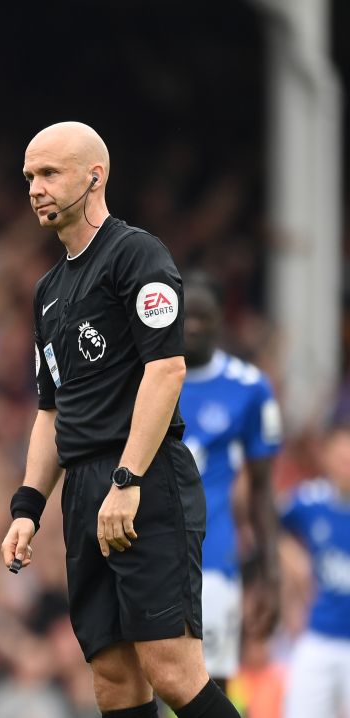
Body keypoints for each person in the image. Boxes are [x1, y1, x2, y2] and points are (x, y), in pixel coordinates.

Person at [1, 121, 240, 718]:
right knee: (112, 676)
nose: (35, 187)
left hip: (144, 479)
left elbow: (167, 371)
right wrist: (28, 508)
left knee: (172, 670)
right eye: (29, 175)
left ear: (94, 176)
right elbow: (51, 410)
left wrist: (128, 483)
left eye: (50, 173)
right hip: (83, 489)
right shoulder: (49, 290)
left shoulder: (136, 254)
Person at [178, 273, 282, 687]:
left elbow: (262, 489)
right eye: (185, 316)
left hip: (215, 560)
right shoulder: (144, 380)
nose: (194, 326)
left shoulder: (250, 388)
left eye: (204, 316)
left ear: (222, 319)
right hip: (149, 554)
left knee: (210, 683)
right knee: (143, 684)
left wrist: (270, 577)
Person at [280, 424, 350, 717]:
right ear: (327, 457)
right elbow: (269, 526)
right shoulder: (310, 501)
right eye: (341, 456)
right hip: (319, 634)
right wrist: (292, 557)